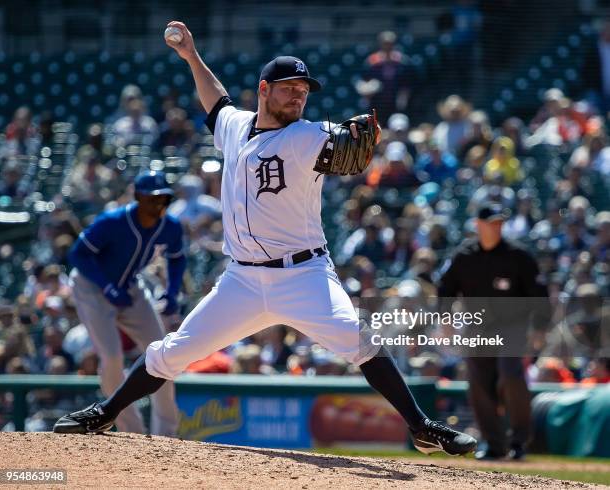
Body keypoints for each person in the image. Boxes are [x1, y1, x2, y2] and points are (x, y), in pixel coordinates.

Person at [54, 20, 477, 457]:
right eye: (289, 87)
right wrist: (192, 57)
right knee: (170, 352)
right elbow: (215, 103)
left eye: (304, 89)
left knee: (362, 340)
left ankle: (421, 427)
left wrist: (349, 139)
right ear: (264, 89)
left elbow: (335, 143)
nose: (298, 95)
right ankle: (105, 413)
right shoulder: (236, 127)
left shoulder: (306, 136)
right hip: (241, 281)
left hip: (304, 274)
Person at [61, 170, 185, 436]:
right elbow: (79, 255)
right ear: (138, 196)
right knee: (112, 357)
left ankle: (168, 435)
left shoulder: (170, 225)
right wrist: (106, 286)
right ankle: (131, 432)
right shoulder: (113, 220)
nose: (159, 204)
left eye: (164, 198)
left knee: (165, 354)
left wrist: (172, 292)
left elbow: (177, 258)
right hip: (91, 286)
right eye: (153, 198)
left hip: (130, 286)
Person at [437, 203, 551, 460]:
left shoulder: (518, 256)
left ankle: (520, 441)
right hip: (477, 326)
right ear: (477, 225)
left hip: (512, 325)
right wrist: (446, 321)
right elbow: (445, 289)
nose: (495, 227)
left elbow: (539, 295)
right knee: (478, 381)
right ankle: (494, 443)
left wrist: (540, 328)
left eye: (499, 223)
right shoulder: (464, 256)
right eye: (490, 223)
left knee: (510, 373)